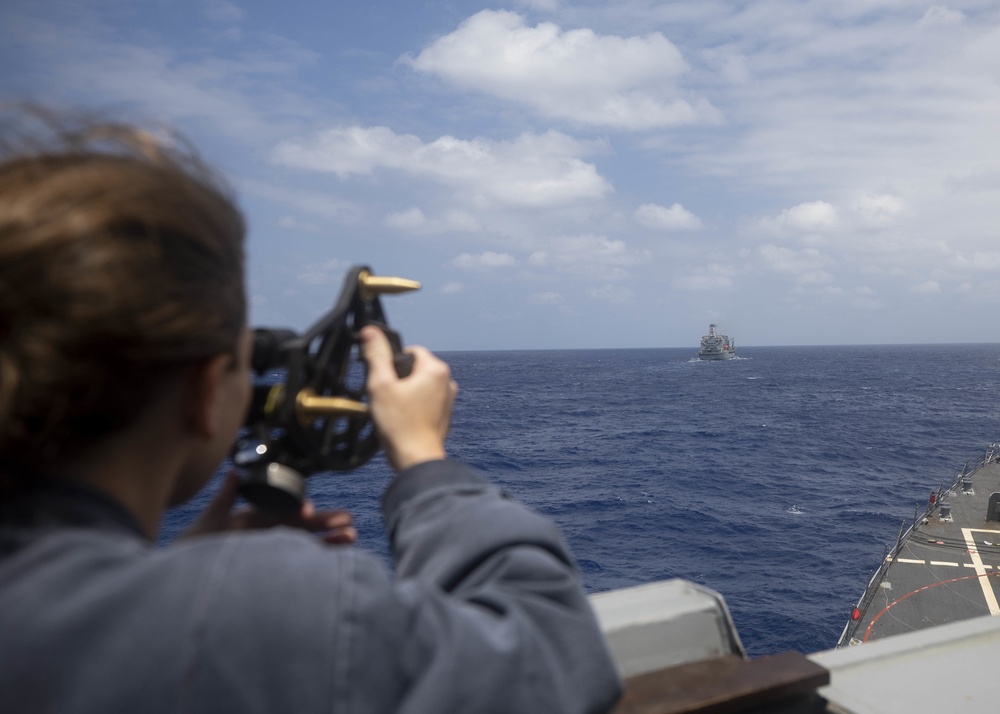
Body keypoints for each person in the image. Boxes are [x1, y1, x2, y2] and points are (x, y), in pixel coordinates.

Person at [0, 109, 621, 713]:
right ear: (205, 391)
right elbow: (552, 658)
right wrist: (426, 466)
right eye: (250, 358)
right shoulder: (272, 611)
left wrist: (167, 574)